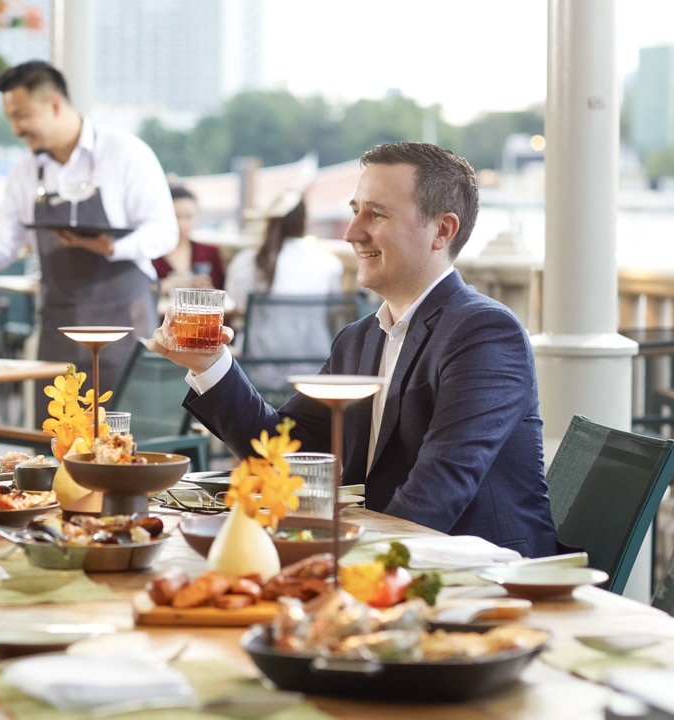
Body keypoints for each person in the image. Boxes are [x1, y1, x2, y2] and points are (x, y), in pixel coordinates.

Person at [148, 141, 559, 558]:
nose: (351, 233)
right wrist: (210, 364)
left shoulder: (484, 332)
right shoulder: (359, 339)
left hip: (486, 577)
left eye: (376, 214)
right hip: (388, 559)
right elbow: (281, 449)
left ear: (442, 230)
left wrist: (337, 563)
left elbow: (439, 491)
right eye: (354, 210)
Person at [0, 60, 177, 399]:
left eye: (21, 116)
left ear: (54, 104)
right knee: (56, 440)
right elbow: (3, 241)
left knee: (123, 441)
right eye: (11, 118)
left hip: (123, 325)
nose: (16, 128)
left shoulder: (125, 153)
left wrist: (111, 247)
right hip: (58, 328)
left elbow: (165, 231)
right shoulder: (24, 171)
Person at [223, 195, 344, 391]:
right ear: (304, 221)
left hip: (260, 369)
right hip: (315, 368)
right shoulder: (328, 263)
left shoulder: (246, 262)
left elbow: (238, 307)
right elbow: (335, 310)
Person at [153, 186, 224, 293]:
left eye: (189, 216)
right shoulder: (151, 253)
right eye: (176, 216)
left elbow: (222, 290)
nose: (182, 224)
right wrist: (174, 284)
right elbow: (142, 290)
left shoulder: (210, 252)